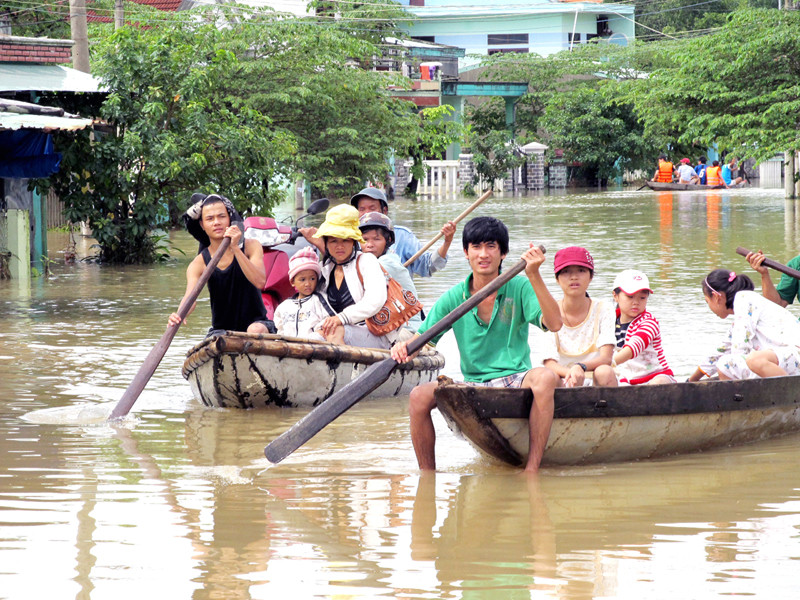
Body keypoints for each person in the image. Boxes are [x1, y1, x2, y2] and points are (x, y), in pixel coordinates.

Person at [391, 216, 563, 473]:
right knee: (418, 397)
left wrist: (534, 275)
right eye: (476, 247)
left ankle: (532, 469)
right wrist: (401, 347)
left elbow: (555, 323)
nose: (483, 254)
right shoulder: (455, 297)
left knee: (546, 378)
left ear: (503, 253)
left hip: (515, 376)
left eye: (491, 246)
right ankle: (428, 474)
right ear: (465, 252)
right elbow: (424, 340)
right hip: (474, 382)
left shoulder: (519, 286)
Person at [169, 194, 271, 335]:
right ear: (202, 225)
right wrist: (180, 314)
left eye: (221, 216)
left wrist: (235, 248)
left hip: (258, 325)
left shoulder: (251, 246)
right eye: (210, 219)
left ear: (229, 219)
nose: (216, 222)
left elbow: (260, 281)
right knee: (218, 340)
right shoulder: (198, 263)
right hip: (221, 332)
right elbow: (190, 297)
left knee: (255, 329)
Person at [688, 269, 800, 381]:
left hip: (795, 355)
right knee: (727, 364)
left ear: (716, 297)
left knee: (728, 364)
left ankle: (794, 392)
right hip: (784, 360)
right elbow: (718, 353)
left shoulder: (743, 299)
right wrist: (691, 381)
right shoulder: (740, 318)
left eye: (707, 301)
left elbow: (740, 348)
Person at [312, 204, 397, 349]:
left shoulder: (366, 261)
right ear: (326, 243)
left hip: (375, 334)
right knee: (310, 338)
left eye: (345, 240)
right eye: (333, 241)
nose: (340, 246)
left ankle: (341, 372)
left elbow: (375, 301)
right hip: (340, 331)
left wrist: (342, 318)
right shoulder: (325, 269)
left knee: (335, 331)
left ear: (353, 242)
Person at [542, 246, 617, 387]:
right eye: (566, 272)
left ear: (591, 276)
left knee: (605, 372)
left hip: (595, 375)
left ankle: (608, 409)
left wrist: (580, 366)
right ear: (557, 279)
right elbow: (549, 362)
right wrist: (570, 373)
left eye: (581, 271)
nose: (574, 277)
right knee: (548, 377)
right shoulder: (550, 312)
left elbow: (606, 358)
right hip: (564, 379)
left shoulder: (603, 309)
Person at [358, 211, 423, 331]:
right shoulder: (367, 261)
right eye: (365, 240)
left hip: (406, 328)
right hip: (385, 326)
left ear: (387, 241)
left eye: (376, 239)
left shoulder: (386, 263)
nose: (370, 245)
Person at [611, 269, 676, 385]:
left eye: (642, 298)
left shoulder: (649, 322)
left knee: (660, 382)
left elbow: (634, 347)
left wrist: (606, 363)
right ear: (615, 296)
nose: (636, 302)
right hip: (626, 379)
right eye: (630, 297)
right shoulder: (608, 321)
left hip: (655, 376)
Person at [273, 247, 332, 340]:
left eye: (312, 279)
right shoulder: (284, 306)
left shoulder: (320, 301)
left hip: (313, 348)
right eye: (302, 279)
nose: (308, 284)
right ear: (292, 282)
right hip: (288, 350)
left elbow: (328, 322)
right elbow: (280, 329)